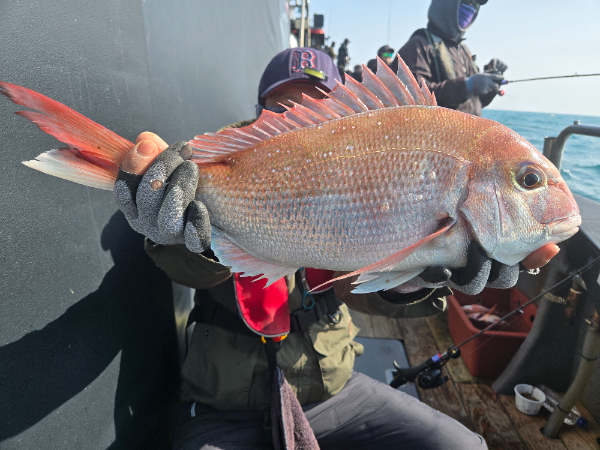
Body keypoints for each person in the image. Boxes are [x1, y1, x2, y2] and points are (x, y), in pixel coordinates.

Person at [113, 47, 557, 450]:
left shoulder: (369, 161)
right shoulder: (219, 165)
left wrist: (415, 280)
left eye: (315, 108)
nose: (298, 117)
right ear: (259, 111)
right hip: (222, 400)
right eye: (284, 108)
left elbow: (354, 288)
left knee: (462, 446)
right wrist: (181, 231)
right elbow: (187, 270)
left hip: (333, 390)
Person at [394, 0, 507, 116]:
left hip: (468, 127)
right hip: (436, 128)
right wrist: (467, 85)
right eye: (466, 1)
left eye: (475, 4)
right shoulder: (418, 45)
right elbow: (412, 97)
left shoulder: (463, 50)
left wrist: (491, 83)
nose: (471, 7)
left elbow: (476, 103)